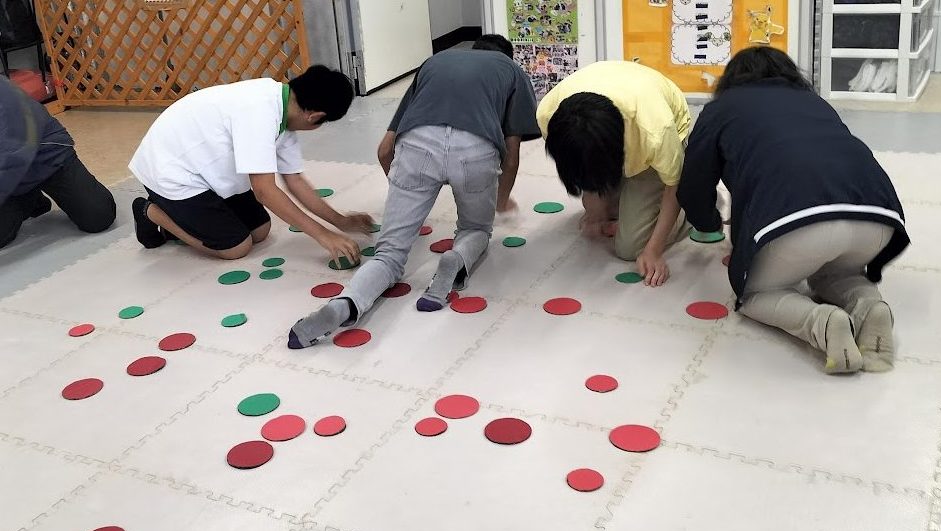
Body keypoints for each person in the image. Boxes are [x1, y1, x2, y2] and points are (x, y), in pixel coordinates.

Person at [288, 34, 541, 349]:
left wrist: (405, 191)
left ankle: (346, 303)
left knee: (389, 255)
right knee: (475, 228)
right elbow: (511, 155)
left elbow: (384, 150)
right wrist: (501, 201)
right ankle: (455, 259)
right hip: (474, 150)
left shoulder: (436, 62)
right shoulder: (510, 70)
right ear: (507, 56)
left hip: (416, 146)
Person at [678, 47, 909, 374]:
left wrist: (709, 222)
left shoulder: (721, 109)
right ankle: (870, 307)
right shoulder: (814, 102)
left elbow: (693, 183)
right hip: (878, 217)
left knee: (757, 294)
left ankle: (822, 323)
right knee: (837, 273)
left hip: (795, 221)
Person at [129, 65, 372, 261]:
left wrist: (340, 221)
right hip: (171, 172)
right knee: (236, 247)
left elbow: (295, 181)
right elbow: (265, 191)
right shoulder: (259, 112)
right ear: (315, 116)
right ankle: (150, 212)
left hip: (205, 170)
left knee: (260, 230)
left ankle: (185, 218)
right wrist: (323, 235)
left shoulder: (284, 110)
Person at [536, 60, 693, 287]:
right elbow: (578, 161)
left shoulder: (656, 131)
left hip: (656, 138)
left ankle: (692, 210)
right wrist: (595, 209)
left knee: (630, 247)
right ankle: (622, 200)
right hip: (621, 125)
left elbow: (673, 185)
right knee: (600, 211)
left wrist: (654, 251)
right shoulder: (548, 115)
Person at [0, 76, 116, 249]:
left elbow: (11, 158)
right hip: (10, 176)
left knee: (98, 216)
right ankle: (29, 200)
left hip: (48, 156)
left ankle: (27, 196)